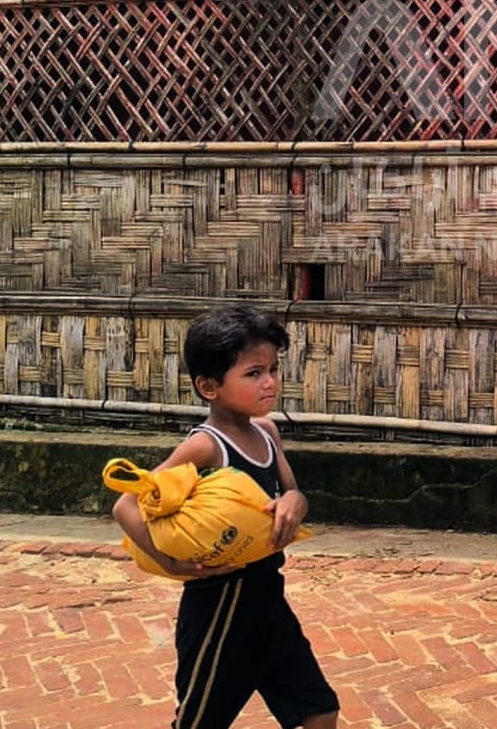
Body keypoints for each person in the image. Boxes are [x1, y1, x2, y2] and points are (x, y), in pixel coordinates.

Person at [113, 305, 340, 729]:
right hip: (220, 605)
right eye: (253, 373)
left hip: (268, 599)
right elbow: (126, 505)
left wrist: (295, 503)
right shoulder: (206, 446)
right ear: (209, 386)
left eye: (272, 368)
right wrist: (169, 564)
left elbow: (291, 490)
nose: (269, 381)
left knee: (319, 710)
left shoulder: (267, 432)